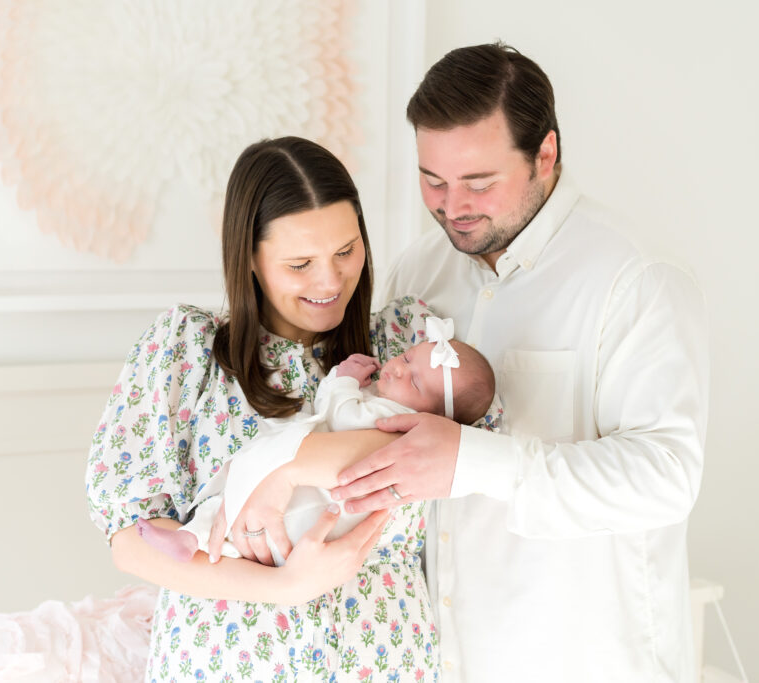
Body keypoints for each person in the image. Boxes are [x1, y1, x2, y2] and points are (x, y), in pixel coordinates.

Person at [228, 44, 710, 682]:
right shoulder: (416, 271)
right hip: (438, 657)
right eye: (433, 180)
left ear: (545, 154)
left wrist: (472, 460)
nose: (452, 205)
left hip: (583, 656)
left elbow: (666, 477)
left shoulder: (635, 278)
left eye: (479, 182)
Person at [86, 136, 455, 681]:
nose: (330, 282)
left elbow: (444, 452)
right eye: (300, 263)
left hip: (383, 660)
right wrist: (286, 588)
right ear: (250, 259)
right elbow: (132, 542)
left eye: (346, 251)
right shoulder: (185, 349)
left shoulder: (406, 343)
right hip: (225, 660)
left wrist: (290, 468)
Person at [137, 328, 496, 566]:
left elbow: (342, 418)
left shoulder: (393, 418)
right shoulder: (389, 400)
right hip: (305, 506)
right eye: (405, 358)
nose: (399, 370)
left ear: (434, 414)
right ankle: (190, 538)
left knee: (242, 495)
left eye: (414, 381)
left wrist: (344, 381)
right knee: (235, 493)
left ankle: (196, 538)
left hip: (312, 507)